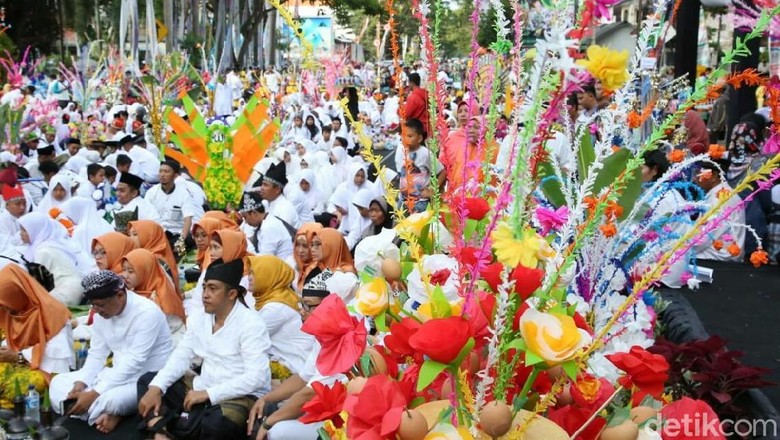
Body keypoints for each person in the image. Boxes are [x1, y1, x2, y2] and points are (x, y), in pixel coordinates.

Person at [137, 258, 272, 440]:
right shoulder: (200, 318)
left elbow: (256, 378)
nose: (205, 295)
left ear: (232, 294)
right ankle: (161, 434)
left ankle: (174, 425)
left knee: (217, 423)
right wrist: (156, 388)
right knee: (149, 382)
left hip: (238, 394)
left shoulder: (251, 324)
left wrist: (208, 394)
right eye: (204, 288)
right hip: (203, 384)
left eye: (213, 289)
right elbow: (181, 356)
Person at [49, 271, 173, 434]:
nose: (97, 311)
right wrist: (82, 383)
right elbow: (97, 354)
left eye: (101, 305)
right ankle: (103, 413)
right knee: (58, 383)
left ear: (120, 295)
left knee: (111, 400)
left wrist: (93, 393)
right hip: (115, 374)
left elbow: (135, 362)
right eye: (94, 305)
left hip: (145, 379)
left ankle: (112, 413)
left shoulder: (147, 313)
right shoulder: (102, 315)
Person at [246, 276, 344, 440]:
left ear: (328, 305)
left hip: (342, 421)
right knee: (267, 408)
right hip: (324, 410)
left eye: (308, 305)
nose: (301, 310)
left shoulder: (340, 338)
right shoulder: (323, 336)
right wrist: (265, 398)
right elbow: (302, 378)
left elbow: (309, 393)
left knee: (275, 431)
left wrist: (268, 423)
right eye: (301, 303)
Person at [0, 265, 73, 408]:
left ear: (18, 294)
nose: (6, 309)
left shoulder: (53, 313)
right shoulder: (12, 310)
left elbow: (57, 356)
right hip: (17, 361)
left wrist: (19, 356)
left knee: (16, 388)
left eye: (6, 303)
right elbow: (10, 339)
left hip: (45, 370)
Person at [248, 256, 313, 377]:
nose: (249, 278)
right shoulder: (282, 296)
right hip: (290, 365)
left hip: (293, 370)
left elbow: (247, 337)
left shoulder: (276, 308)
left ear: (268, 276)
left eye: (254, 273)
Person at [19, 212, 97, 305]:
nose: (20, 234)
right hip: (76, 287)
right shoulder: (52, 243)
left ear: (35, 230)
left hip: (67, 291)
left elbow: (40, 283)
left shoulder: (43, 251)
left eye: (24, 230)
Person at [121, 249, 186, 340]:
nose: (125, 275)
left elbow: (168, 328)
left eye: (131, 271)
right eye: (123, 270)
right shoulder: (133, 290)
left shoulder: (161, 295)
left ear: (145, 271)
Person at [144, 160, 204, 254]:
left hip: (178, 234)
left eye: (166, 172)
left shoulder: (183, 193)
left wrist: (181, 240)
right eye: (161, 171)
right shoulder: (151, 193)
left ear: (175, 176)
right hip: (158, 234)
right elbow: (145, 218)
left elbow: (188, 220)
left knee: (187, 242)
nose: (162, 174)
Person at [693, 159, 746, 262]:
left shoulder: (720, 198)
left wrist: (680, 248)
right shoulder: (719, 194)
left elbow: (705, 236)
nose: (695, 179)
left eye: (698, 173)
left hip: (716, 260)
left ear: (713, 176)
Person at [239, 192, 294, 259]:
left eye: (245, 217)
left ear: (254, 213)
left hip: (282, 267)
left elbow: (264, 261)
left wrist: (245, 241)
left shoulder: (269, 227)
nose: (246, 222)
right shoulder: (267, 220)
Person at [127, 220, 180, 286]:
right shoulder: (145, 256)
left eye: (135, 234)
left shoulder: (153, 260)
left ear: (149, 237)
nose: (130, 238)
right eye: (129, 235)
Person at [260, 162, 299, 229]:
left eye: (265, 185)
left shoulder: (285, 209)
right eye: (262, 184)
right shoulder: (265, 203)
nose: (261, 188)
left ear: (277, 189)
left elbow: (280, 235)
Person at [293, 223, 324, 292]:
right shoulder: (293, 263)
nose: (300, 251)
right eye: (297, 245)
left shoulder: (322, 270)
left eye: (305, 246)